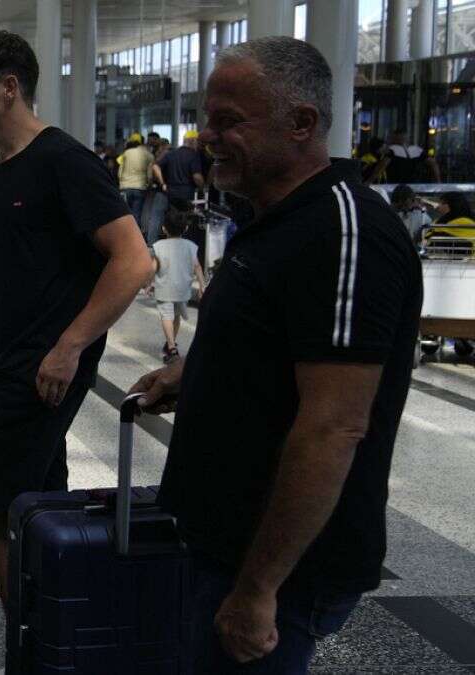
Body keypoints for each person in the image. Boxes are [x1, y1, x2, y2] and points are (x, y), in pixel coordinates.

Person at [129, 37, 422, 673]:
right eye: (209, 119)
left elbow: (334, 425)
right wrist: (196, 374)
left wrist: (260, 589)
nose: (209, 137)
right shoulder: (272, 219)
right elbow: (281, 348)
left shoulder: (344, 233)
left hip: (280, 570)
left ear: (302, 124)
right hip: (224, 545)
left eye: (230, 121)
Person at [0, 30, 152, 610]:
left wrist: (70, 346)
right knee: (41, 498)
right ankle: (65, 616)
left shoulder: (65, 161)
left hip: (44, 367)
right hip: (6, 358)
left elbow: (134, 259)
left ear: (9, 88)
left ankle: (29, 635)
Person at [150, 208, 205, 363]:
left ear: (164, 228)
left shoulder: (159, 245)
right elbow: (197, 266)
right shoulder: (190, 246)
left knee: (166, 317)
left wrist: (148, 283)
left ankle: (172, 349)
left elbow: (153, 268)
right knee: (176, 316)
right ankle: (170, 343)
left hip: (165, 289)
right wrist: (202, 285)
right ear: (186, 228)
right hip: (183, 290)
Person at [151, 129, 205, 242]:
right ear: (193, 141)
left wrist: (163, 183)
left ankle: (170, 241)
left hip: (171, 194)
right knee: (186, 220)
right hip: (186, 195)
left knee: (173, 219)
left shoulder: (172, 153)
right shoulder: (194, 155)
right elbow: (197, 177)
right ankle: (183, 243)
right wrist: (203, 187)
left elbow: (155, 167)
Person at [118, 132, 154, 227]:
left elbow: (119, 172)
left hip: (125, 187)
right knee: (136, 214)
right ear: (143, 142)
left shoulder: (126, 153)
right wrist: (149, 185)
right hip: (140, 187)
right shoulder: (149, 155)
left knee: (124, 215)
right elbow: (150, 175)